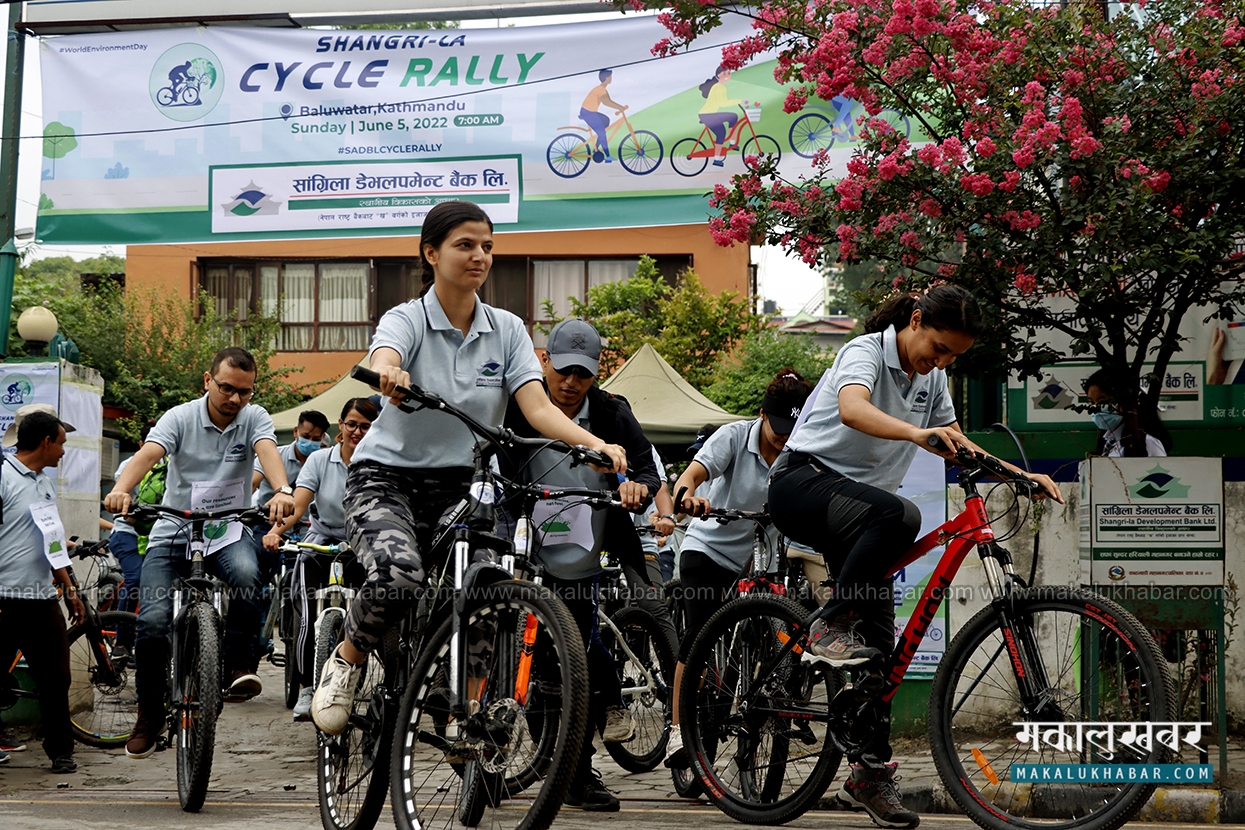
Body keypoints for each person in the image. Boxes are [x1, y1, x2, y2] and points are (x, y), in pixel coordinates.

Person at [310, 200, 628, 738]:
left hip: (461, 483)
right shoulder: (406, 318)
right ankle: (348, 657)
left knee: (492, 588)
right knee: (399, 575)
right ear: (431, 253)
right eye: (465, 244)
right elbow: (386, 354)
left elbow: (539, 408)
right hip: (385, 479)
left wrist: (597, 443)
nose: (479, 255)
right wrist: (390, 374)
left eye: (487, 246)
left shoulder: (506, 330)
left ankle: (457, 700)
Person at [768, 286, 1062, 828]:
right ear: (917, 320)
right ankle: (825, 628)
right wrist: (917, 434)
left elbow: (954, 438)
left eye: (954, 356)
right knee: (900, 515)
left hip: (856, 512)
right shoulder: (864, 352)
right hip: (801, 485)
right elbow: (853, 409)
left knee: (884, 654)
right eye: (939, 347)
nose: (942, 361)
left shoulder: (933, 377)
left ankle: (869, 774)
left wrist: (1020, 476)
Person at [105, 346, 296, 759]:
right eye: (226, 388)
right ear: (207, 381)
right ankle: (149, 713)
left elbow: (268, 452)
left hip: (226, 531)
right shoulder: (180, 417)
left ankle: (236, 664)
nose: (234, 399)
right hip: (173, 529)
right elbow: (148, 454)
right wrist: (122, 488)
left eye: (244, 392)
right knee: (153, 622)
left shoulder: (254, 417)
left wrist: (281, 490)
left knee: (247, 576)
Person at [502, 318, 659, 811]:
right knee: (528, 654)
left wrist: (636, 487)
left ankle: (580, 765)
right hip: (523, 544)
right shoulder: (515, 405)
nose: (570, 384)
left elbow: (647, 469)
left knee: (579, 645)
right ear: (544, 361)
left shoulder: (612, 413)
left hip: (582, 550)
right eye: (563, 371)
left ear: (596, 374)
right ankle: (545, 759)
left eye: (583, 375)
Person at [664, 370, 813, 771]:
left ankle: (774, 694)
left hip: (760, 558)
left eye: (793, 429)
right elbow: (694, 473)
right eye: (779, 427)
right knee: (698, 636)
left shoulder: (801, 448)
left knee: (787, 620)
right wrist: (689, 496)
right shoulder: (732, 437)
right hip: (709, 550)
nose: (784, 437)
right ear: (762, 415)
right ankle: (679, 727)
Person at [263, 398, 377, 720]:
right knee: (306, 613)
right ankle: (305, 688)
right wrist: (276, 531)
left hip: (363, 545)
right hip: (321, 542)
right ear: (339, 426)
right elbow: (298, 506)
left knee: (372, 611)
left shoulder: (379, 463)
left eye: (365, 426)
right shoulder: (319, 461)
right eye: (351, 424)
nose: (357, 431)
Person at [0, 405, 85, 774]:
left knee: (56, 678)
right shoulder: (3, 477)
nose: (64, 452)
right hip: (3, 598)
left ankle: (61, 751)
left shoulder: (44, 483)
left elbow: (52, 540)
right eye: (62, 444)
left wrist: (69, 587)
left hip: (41, 598)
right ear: (46, 441)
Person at [250, 409, 329, 581]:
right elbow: (252, 483)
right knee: (255, 563)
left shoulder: (325, 462)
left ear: (323, 438)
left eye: (316, 439)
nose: (310, 442)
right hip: (268, 524)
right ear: (296, 432)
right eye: (306, 436)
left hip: (307, 529)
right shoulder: (274, 456)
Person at [108, 420, 155, 663]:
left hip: (160, 535)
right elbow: (124, 507)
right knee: (136, 578)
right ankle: (121, 640)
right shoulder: (130, 466)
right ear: (141, 444)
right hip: (128, 534)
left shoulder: (173, 464)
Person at [1082, 368, 1171, 458]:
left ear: (1122, 401)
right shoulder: (1107, 442)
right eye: (1092, 402)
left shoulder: (1147, 442)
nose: (1096, 408)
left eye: (1102, 402)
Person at [697, 65, 744, 167]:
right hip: (707, 115)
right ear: (719, 75)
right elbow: (723, 103)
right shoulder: (718, 87)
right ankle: (716, 159)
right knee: (721, 133)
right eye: (725, 73)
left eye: (729, 73)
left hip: (709, 114)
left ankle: (732, 143)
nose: (728, 75)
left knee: (733, 117)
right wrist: (739, 101)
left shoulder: (720, 86)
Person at [580, 69, 627, 163]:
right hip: (588, 113)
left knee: (605, 120)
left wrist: (619, 108)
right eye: (610, 76)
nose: (611, 78)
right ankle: (608, 156)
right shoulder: (600, 90)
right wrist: (620, 108)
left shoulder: (602, 89)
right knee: (602, 133)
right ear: (606, 78)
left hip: (590, 112)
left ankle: (596, 148)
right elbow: (606, 102)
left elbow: (609, 100)